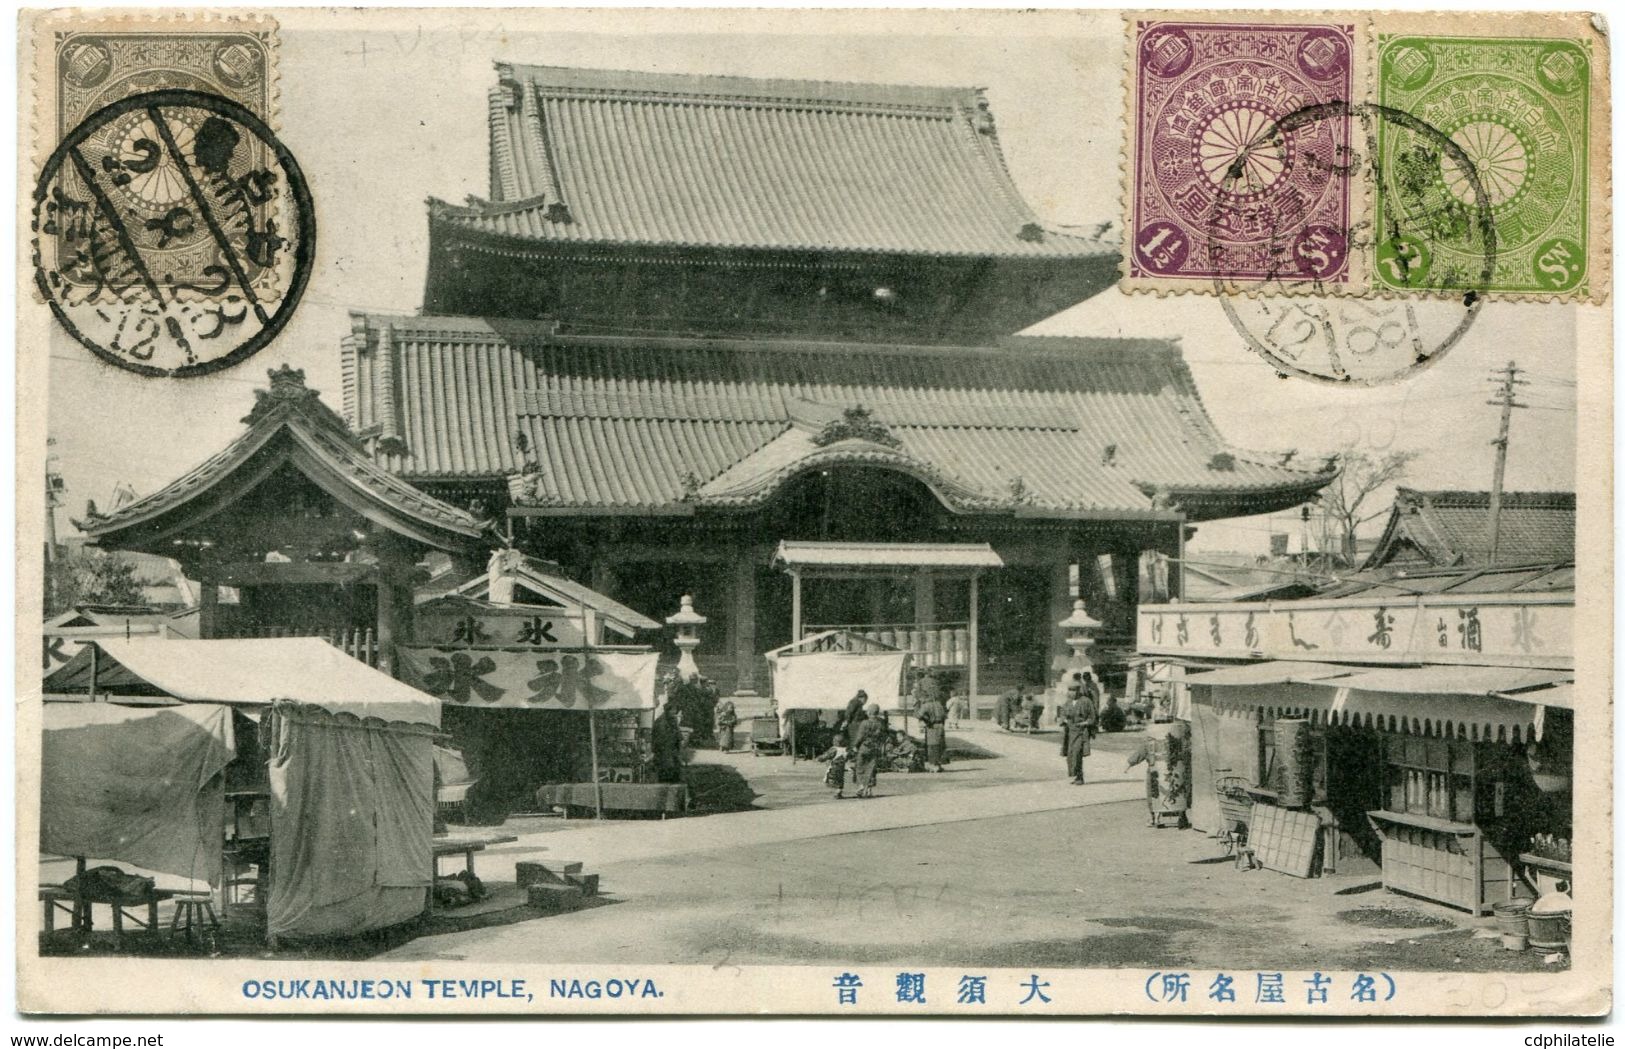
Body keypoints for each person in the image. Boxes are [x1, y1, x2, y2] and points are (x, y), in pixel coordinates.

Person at [1060, 677, 1098, 784]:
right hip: (1070, 732)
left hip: (1081, 731)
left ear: (1078, 690)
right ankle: (1077, 776)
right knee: (1070, 754)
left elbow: (1092, 717)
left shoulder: (1086, 701)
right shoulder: (1068, 702)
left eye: (1073, 690)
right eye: (1069, 690)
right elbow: (1062, 714)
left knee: (1077, 753)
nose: (1071, 693)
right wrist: (1064, 720)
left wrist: (1085, 723)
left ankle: (1080, 778)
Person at [851, 702, 888, 798]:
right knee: (871, 768)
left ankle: (861, 786)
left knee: (860, 767)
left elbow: (860, 736)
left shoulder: (864, 723)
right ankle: (869, 789)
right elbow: (883, 737)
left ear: (869, 712)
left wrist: (855, 746)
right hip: (875, 748)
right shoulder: (881, 724)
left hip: (864, 747)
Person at [650, 703, 684, 784]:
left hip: (671, 750)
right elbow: (660, 738)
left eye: (675, 710)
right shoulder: (661, 722)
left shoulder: (672, 720)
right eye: (673, 710)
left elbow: (677, 733)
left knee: (672, 770)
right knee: (665, 769)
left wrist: (679, 740)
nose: (675, 712)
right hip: (664, 750)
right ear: (668, 711)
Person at [918, 689, 948, 772]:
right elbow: (944, 717)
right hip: (941, 726)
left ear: (924, 697)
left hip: (932, 726)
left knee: (932, 746)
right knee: (940, 745)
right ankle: (939, 764)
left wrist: (926, 720)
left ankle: (933, 765)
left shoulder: (926, 705)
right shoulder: (939, 704)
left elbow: (919, 715)